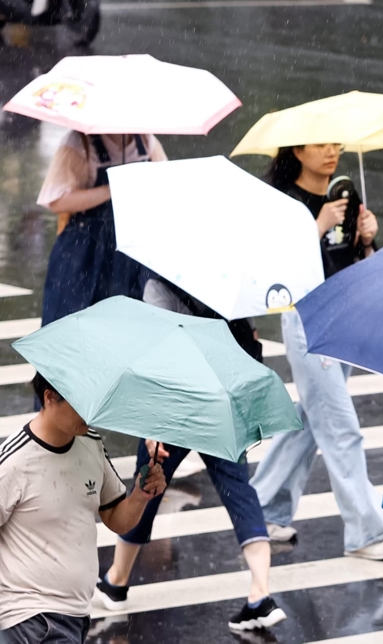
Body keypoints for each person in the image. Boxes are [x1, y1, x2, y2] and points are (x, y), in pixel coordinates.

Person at [93, 277, 287, 631]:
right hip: (223, 399)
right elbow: (251, 337)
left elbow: (157, 357)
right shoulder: (230, 278)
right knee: (238, 490)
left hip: (176, 404)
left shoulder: (160, 282)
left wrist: (151, 425)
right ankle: (260, 592)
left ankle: (117, 581)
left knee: (147, 485)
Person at [250, 144, 383, 561]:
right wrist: (315, 227)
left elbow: (358, 262)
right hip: (308, 320)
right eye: (320, 145)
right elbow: (274, 271)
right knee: (340, 426)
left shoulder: (345, 194)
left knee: (309, 421)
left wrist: (369, 239)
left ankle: (262, 508)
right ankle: (366, 531)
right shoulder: (285, 203)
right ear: (297, 150)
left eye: (335, 144)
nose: (330, 152)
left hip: (348, 317)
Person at [0, 374, 167, 643]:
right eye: (81, 402)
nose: (90, 412)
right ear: (50, 398)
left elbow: (115, 518)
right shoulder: (14, 462)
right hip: (29, 620)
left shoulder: (91, 443)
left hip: (75, 616)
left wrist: (140, 495)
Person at [37, 132, 167, 325]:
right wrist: (111, 189)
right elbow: (57, 201)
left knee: (130, 323)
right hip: (84, 252)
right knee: (73, 323)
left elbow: (165, 184)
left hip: (134, 249)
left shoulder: (146, 142)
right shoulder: (78, 143)